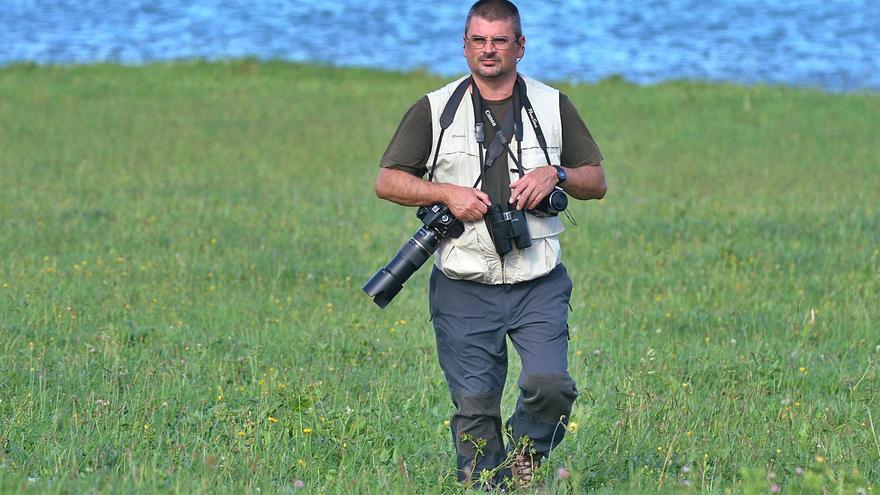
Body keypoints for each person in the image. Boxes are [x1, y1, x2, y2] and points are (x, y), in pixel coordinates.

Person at [374, 0, 607, 488]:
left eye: (500, 40)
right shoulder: (434, 109)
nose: (489, 50)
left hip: (537, 279)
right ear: (464, 46)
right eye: (479, 40)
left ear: (520, 47)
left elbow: (596, 181)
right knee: (476, 407)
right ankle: (485, 485)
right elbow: (388, 181)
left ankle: (526, 453)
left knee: (550, 386)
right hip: (463, 283)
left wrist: (556, 173)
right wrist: (446, 194)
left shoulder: (552, 104)